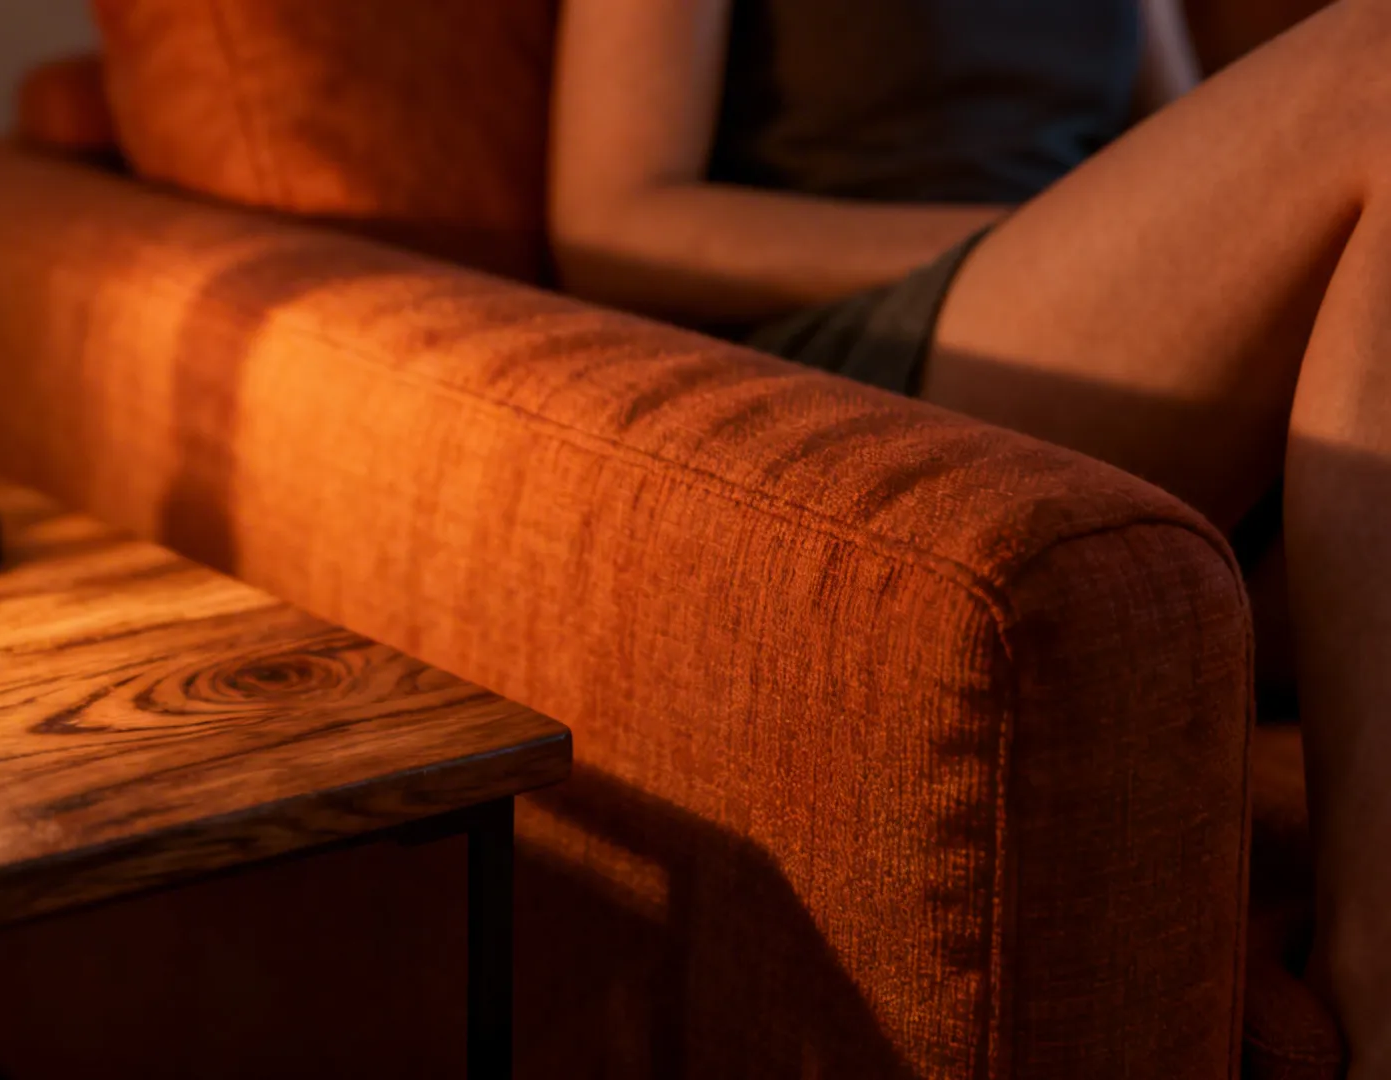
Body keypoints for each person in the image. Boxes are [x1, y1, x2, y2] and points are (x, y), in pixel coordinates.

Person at [549, 0, 1391, 1068]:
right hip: (866, 352)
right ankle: (1375, 990)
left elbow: (1219, 150)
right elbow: (610, 219)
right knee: (1381, 63)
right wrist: (1033, 234)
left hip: (1115, 337)